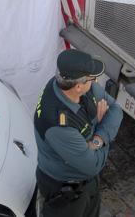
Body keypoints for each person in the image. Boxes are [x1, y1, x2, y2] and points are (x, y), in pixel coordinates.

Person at [33, 49, 122, 217]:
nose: (95, 82)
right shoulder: (58, 124)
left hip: (86, 184)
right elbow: (92, 165)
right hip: (65, 193)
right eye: (92, 79)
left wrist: (97, 139)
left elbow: (116, 110)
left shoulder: (67, 83)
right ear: (78, 86)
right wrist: (102, 128)